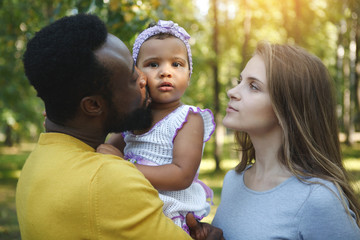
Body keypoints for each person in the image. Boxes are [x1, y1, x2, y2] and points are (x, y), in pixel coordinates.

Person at [15, 14, 223, 240]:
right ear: (93, 105)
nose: (145, 80)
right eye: (133, 77)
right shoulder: (112, 180)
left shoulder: (38, 161)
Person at [211, 42, 360, 239]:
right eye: (240, 81)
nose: (232, 92)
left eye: (253, 86)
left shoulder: (318, 198)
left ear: (289, 108)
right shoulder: (233, 180)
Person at [97, 20, 215, 233]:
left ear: (189, 75)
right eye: (153, 64)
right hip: (136, 211)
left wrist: (124, 167)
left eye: (176, 64)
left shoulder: (188, 118)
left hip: (170, 218)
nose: (165, 72)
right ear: (137, 75)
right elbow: (104, 149)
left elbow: (182, 175)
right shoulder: (134, 119)